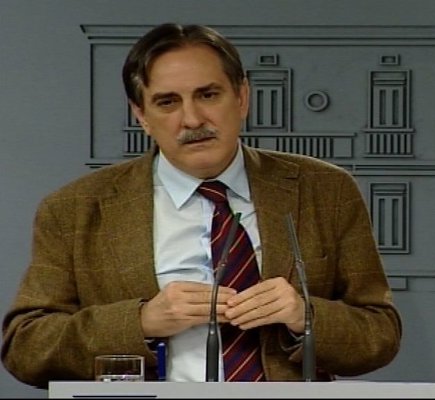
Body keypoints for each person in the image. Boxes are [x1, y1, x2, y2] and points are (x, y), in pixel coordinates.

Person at [1, 23, 402, 387]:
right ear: (141, 115)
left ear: (241, 97)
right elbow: (27, 347)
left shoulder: (325, 190)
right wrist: (141, 321)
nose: (192, 119)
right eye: (167, 102)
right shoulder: (74, 209)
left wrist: (304, 316)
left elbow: (380, 333)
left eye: (208, 95)